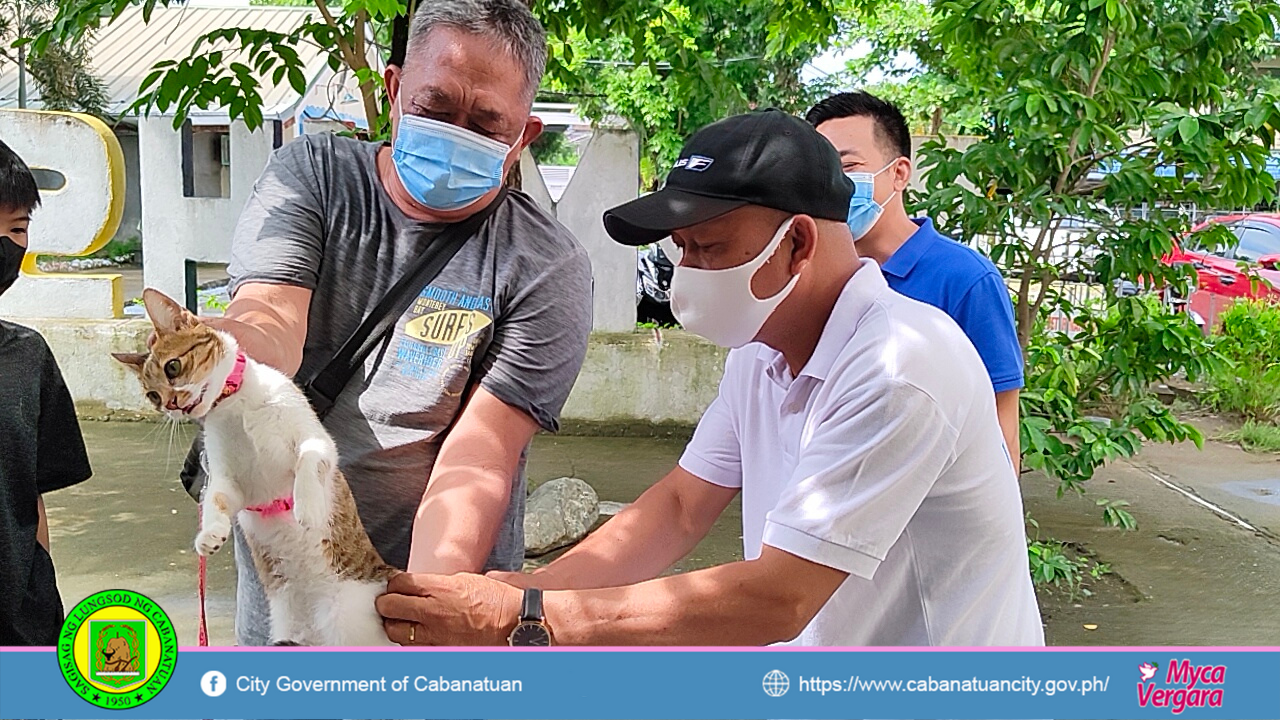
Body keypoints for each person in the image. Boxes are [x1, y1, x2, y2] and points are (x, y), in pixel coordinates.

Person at [375, 110, 1044, 647]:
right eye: (681, 251)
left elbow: (777, 598)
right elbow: (679, 507)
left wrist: (524, 620)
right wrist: (531, 592)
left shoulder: (900, 366)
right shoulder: (761, 351)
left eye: (709, 248)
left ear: (798, 244)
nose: (687, 274)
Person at [211, 0, 593, 645]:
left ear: (524, 135)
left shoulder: (546, 265)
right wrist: (222, 353)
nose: (454, 132)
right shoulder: (314, 177)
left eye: (484, 123)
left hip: (435, 596)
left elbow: (479, 458)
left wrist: (415, 617)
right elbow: (272, 317)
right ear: (392, 90)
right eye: (435, 107)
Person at [806, 91, 1025, 471]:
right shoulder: (813, 275)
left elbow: (1001, 420)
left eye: (850, 167)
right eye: (821, 172)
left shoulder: (966, 280)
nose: (834, 185)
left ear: (899, 173)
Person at [0, 139, 94, 645]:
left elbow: (30, 500)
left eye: (15, 229)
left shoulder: (28, 357)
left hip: (21, 625)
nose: (4, 246)